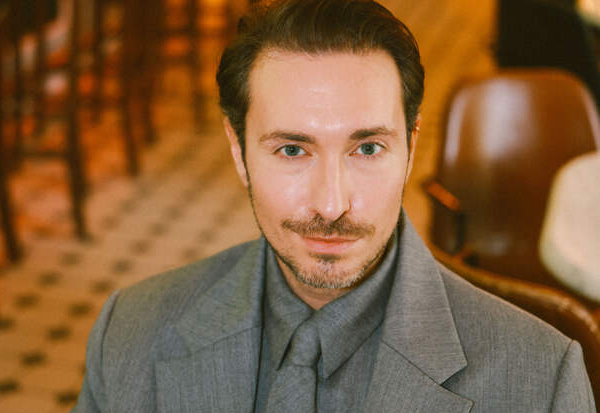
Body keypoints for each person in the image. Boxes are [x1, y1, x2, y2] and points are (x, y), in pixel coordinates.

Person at [72, 0, 595, 411]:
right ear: (238, 150)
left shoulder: (542, 380)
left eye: (367, 149)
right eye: (292, 150)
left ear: (411, 148)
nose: (331, 204)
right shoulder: (129, 330)